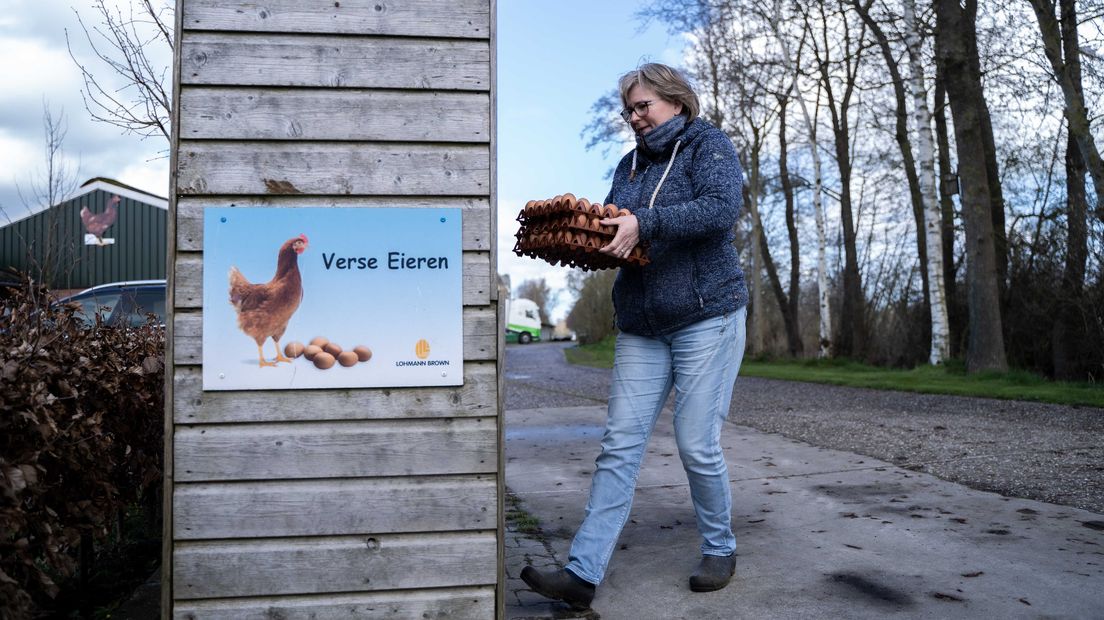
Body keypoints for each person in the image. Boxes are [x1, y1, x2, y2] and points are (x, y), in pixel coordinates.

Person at [521, 63, 749, 610]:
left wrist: (644, 223)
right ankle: (581, 573)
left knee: (696, 443)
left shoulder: (707, 145)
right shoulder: (629, 164)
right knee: (618, 447)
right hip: (643, 325)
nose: (634, 117)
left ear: (676, 101)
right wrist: (583, 240)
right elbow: (617, 229)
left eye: (643, 106)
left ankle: (720, 547)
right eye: (629, 109)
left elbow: (721, 211)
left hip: (706, 315)